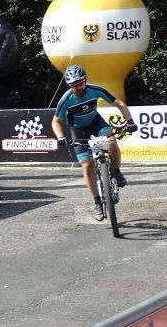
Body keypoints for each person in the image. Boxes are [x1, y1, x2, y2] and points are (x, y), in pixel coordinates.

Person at [50, 65, 138, 222]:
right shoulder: (66, 100)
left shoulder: (95, 90)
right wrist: (60, 137)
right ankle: (97, 202)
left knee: (111, 143)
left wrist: (129, 121)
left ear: (85, 80)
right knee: (87, 166)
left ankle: (117, 172)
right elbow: (56, 121)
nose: (77, 87)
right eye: (73, 85)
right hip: (78, 129)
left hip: (96, 123)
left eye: (79, 83)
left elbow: (119, 103)